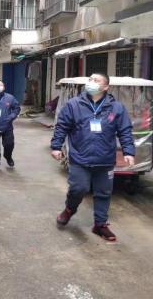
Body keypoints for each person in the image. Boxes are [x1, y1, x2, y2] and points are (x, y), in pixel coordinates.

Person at [50, 73, 135, 241]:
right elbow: (62, 126)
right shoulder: (74, 105)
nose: (91, 82)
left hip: (105, 159)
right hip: (80, 158)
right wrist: (56, 146)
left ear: (106, 87)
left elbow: (125, 131)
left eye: (96, 80)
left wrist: (129, 152)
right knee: (78, 188)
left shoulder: (116, 108)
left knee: (103, 192)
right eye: (90, 79)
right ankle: (69, 209)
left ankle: (100, 225)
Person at [0, 80, 21, 171]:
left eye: (0, 85)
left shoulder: (10, 98)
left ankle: (8, 156)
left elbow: (16, 108)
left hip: (7, 126)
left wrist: (11, 117)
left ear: (4, 87)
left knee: (9, 144)